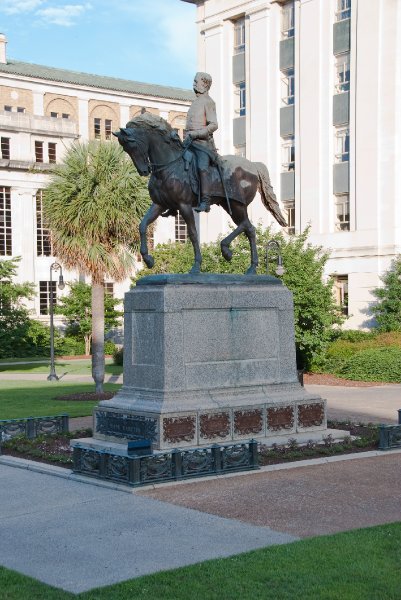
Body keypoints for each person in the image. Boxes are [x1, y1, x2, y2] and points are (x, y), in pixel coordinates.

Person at [184, 72, 218, 213]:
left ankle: (205, 201)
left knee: (201, 168)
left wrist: (197, 133)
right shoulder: (195, 102)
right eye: (193, 81)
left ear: (204, 84)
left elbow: (213, 125)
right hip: (190, 142)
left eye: (196, 81)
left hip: (204, 145)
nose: (193, 84)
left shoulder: (208, 102)